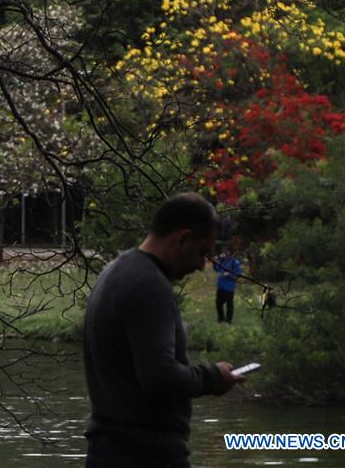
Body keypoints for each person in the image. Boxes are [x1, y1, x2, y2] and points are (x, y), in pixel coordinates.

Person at [83, 192, 243, 467]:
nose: (201, 264)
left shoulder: (117, 271)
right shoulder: (149, 286)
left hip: (108, 450)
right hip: (145, 455)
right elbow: (160, 378)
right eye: (202, 252)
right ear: (182, 238)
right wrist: (213, 378)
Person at [213, 246, 243, 324]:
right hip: (221, 286)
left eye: (227, 251)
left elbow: (237, 275)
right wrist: (216, 260)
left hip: (229, 288)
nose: (225, 252)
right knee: (218, 303)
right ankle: (221, 319)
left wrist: (228, 275)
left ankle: (228, 320)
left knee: (229, 305)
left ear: (230, 252)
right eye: (224, 251)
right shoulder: (222, 261)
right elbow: (216, 268)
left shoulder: (235, 262)